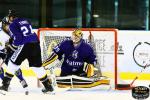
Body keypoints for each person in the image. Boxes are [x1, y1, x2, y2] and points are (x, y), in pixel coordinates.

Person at [0, 9, 54, 93]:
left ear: (12, 17)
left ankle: (4, 86)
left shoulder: (12, 25)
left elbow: (18, 39)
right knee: (37, 67)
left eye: (9, 16)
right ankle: (48, 87)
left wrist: (12, 47)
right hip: (36, 44)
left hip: (25, 45)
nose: (8, 18)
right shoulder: (26, 20)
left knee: (12, 63)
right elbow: (29, 34)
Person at [0, 17, 28, 89]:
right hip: (2, 49)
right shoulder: (2, 35)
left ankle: (22, 79)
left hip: (5, 49)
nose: (9, 27)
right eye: (7, 25)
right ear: (3, 24)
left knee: (13, 66)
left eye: (10, 25)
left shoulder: (12, 29)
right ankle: (5, 83)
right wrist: (7, 48)